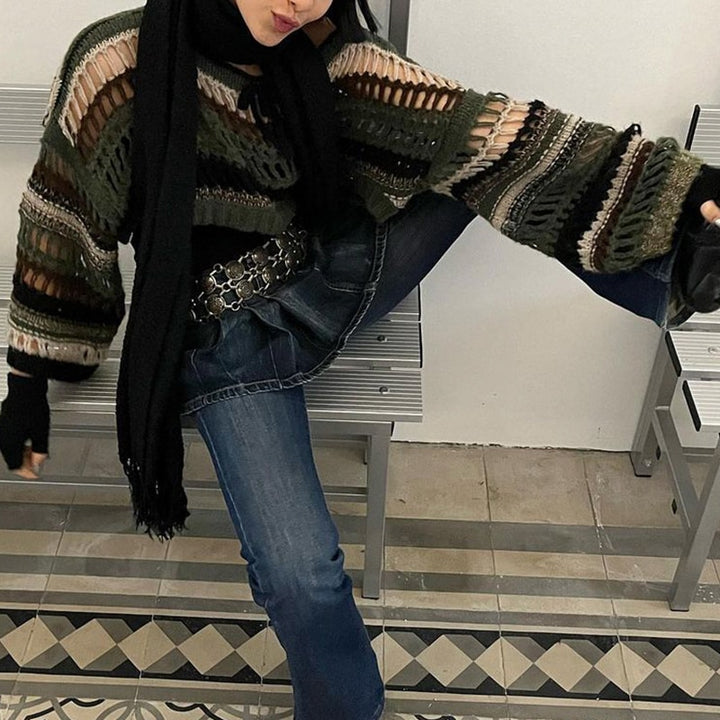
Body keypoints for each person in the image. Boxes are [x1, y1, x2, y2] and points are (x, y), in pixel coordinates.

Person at [1, 1, 720, 718]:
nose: (297, 2)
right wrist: (29, 381)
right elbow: (64, 218)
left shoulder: (327, 50)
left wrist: (688, 194)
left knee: (486, 166)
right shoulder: (115, 63)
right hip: (227, 348)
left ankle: (682, 270)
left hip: (334, 275)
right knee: (300, 574)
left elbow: (488, 129)